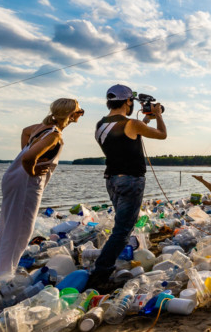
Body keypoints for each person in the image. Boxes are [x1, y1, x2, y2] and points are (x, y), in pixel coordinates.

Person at [0, 98, 83, 278]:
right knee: (20, 231)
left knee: (7, 225)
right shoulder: (54, 135)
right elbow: (27, 158)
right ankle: (2, 276)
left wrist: (27, 156)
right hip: (26, 183)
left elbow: (25, 133)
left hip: (12, 178)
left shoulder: (41, 127)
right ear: (70, 115)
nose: (81, 114)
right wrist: (32, 170)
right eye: (79, 111)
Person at [86, 84, 166, 289]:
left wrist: (145, 120)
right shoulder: (131, 124)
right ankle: (100, 274)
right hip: (131, 179)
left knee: (120, 228)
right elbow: (161, 134)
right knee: (122, 231)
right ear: (128, 101)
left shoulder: (101, 125)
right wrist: (158, 115)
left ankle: (102, 267)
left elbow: (127, 137)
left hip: (112, 179)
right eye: (132, 101)